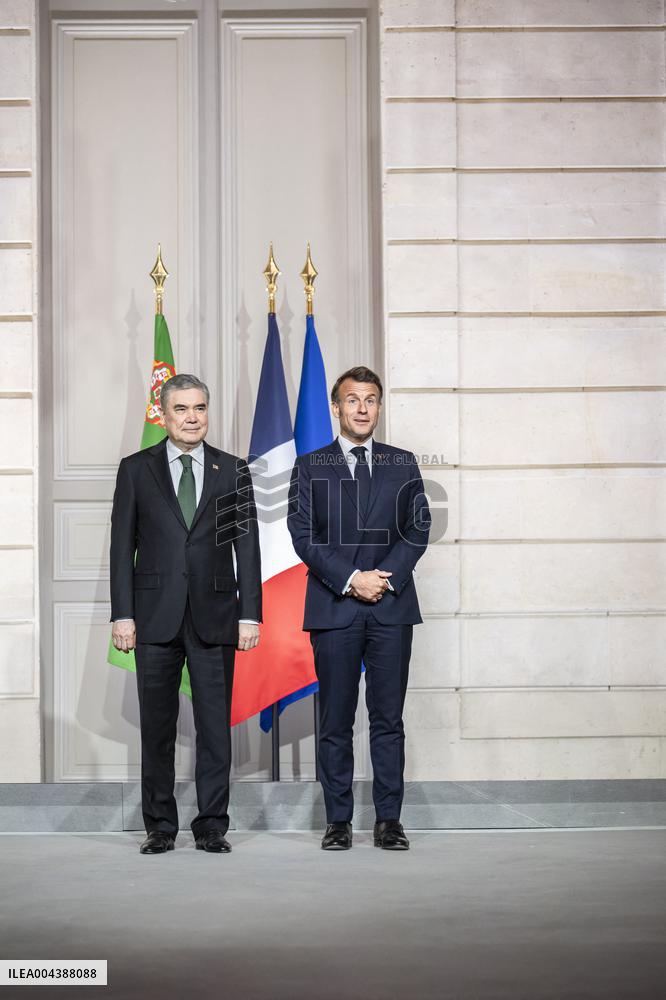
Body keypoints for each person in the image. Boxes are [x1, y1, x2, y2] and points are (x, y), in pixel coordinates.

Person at [110, 374, 262, 854]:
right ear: (164, 414)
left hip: (216, 615)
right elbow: (120, 548)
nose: (192, 417)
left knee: (215, 728)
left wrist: (250, 614)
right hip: (153, 617)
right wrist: (122, 615)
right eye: (182, 409)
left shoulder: (233, 470)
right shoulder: (136, 469)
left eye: (199, 408)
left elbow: (248, 548)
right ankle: (159, 825)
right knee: (157, 727)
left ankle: (212, 824)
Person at [288, 366, 430, 851]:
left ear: (379, 406)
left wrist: (381, 579)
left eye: (371, 399)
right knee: (335, 721)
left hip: (391, 608)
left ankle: (389, 821)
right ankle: (339, 821)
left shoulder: (403, 463)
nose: (362, 408)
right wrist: (352, 581)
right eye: (353, 400)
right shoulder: (310, 465)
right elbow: (303, 537)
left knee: (388, 719)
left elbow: (418, 528)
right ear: (337, 406)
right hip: (335, 608)